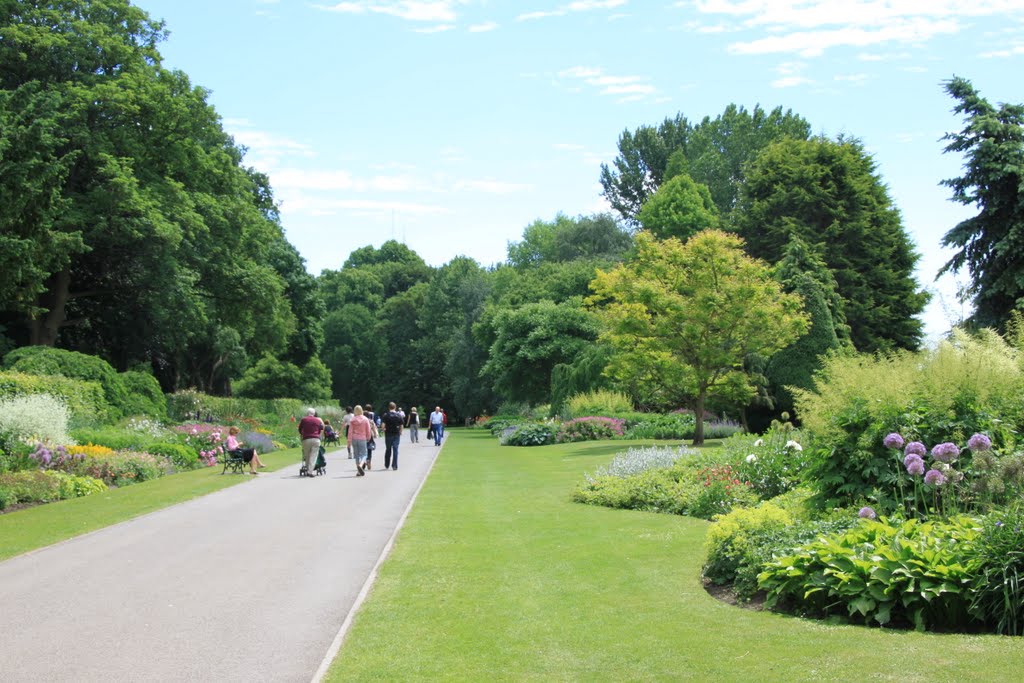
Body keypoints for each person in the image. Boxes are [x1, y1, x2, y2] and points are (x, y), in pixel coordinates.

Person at [347, 404, 376, 476]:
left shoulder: (352, 420)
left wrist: (349, 441)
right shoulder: (365, 419)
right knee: (364, 454)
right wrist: (368, 437)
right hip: (362, 438)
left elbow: (350, 431)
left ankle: (358, 471)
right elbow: (368, 430)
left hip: (354, 439)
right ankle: (361, 465)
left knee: (356, 455)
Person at [298, 407, 324, 477]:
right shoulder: (318, 420)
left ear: (307, 413)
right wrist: (318, 434)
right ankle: (310, 471)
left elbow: (300, 429)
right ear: (314, 413)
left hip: (306, 439)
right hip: (316, 439)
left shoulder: (304, 420)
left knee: (307, 455)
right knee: (314, 456)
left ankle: (308, 469)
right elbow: (321, 429)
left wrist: (302, 434)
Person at [381, 402, 404, 470]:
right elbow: (401, 425)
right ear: (395, 407)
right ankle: (394, 465)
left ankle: (387, 464)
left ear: (389, 407)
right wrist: (400, 431)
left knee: (388, 449)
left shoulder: (386, 415)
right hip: (396, 434)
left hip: (388, 434)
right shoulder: (398, 415)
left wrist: (383, 429)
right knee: (395, 449)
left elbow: (383, 425)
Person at [363, 404, 378, 470]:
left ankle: (364, 461)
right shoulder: (371, 420)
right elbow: (374, 427)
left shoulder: (362, 420)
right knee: (369, 449)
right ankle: (369, 460)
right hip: (370, 434)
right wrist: (375, 434)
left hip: (362, 436)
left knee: (363, 449)